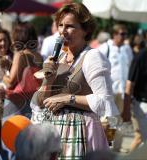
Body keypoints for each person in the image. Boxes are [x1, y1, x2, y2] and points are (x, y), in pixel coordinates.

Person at [30, 3, 119, 159]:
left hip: (81, 131)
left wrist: (67, 99)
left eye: (70, 26)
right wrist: (48, 80)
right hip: (56, 132)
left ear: (86, 30)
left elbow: (104, 102)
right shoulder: (60, 58)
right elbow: (40, 103)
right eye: (60, 25)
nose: (63, 31)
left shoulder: (92, 57)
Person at [3, 22, 43, 118]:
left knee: (11, 131)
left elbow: (10, 82)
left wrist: (2, 72)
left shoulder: (20, 55)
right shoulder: (39, 56)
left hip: (17, 103)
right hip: (32, 100)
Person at [98, 24, 133, 115]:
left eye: (126, 34)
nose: (124, 36)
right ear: (114, 34)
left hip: (122, 91)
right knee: (107, 119)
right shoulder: (105, 47)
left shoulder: (127, 48)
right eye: (122, 34)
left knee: (119, 120)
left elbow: (131, 67)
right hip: (109, 90)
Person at [122, 45, 147, 151]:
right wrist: (126, 110)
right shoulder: (140, 57)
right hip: (143, 106)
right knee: (142, 139)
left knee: (139, 138)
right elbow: (129, 85)